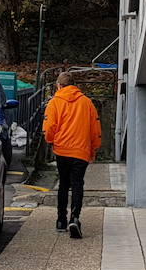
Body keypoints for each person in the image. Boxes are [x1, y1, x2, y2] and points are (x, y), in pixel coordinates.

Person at [42, 71, 102, 238]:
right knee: (77, 184)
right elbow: (95, 128)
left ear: (59, 85)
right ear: (74, 85)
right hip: (81, 150)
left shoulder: (55, 102)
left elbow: (49, 126)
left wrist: (50, 140)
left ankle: (61, 219)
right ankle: (75, 218)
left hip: (62, 149)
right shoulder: (87, 103)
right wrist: (94, 148)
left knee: (63, 184)